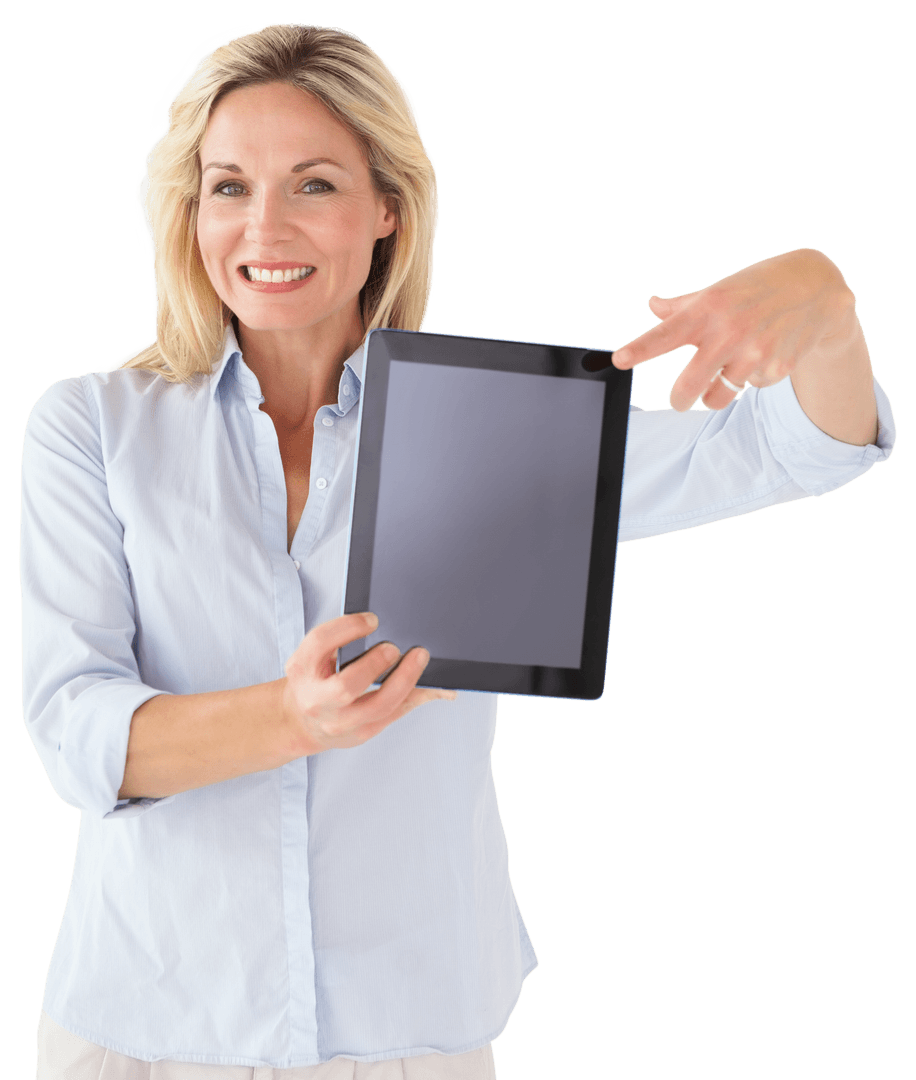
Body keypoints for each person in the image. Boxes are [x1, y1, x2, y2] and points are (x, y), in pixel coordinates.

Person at [21, 21, 895, 1080]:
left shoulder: (495, 428)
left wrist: (826, 303)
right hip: (145, 1030)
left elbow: (796, 450)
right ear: (188, 208)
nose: (264, 225)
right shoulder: (93, 426)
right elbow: (79, 736)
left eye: (313, 185)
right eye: (227, 186)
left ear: (387, 208)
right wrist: (294, 720)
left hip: (409, 1034)